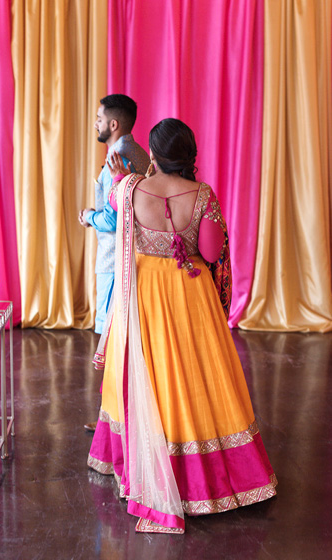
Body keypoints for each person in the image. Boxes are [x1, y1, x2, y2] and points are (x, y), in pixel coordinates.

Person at [88, 118, 277, 534]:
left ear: (153, 153)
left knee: (147, 373)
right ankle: (203, 473)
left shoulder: (130, 189)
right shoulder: (203, 196)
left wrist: (123, 177)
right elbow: (210, 254)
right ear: (190, 154)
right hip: (190, 299)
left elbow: (116, 211)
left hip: (141, 301)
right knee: (195, 377)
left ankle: (144, 459)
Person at [79, 94, 149, 335]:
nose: (96, 124)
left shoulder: (115, 159)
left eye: (99, 119)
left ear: (113, 124)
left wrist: (88, 216)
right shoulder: (139, 152)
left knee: (110, 335)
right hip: (139, 255)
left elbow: (111, 219)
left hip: (114, 258)